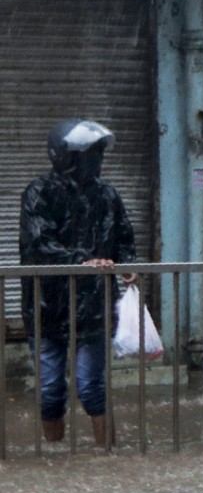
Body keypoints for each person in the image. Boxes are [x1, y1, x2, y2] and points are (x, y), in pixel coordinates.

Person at [20, 119, 137, 447]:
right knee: (50, 390)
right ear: (65, 157)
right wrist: (82, 261)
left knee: (92, 386)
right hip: (47, 305)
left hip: (93, 304)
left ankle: (107, 455)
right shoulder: (39, 193)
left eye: (99, 154)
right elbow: (40, 242)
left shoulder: (107, 194)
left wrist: (127, 264)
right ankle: (57, 460)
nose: (96, 162)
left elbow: (124, 236)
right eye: (89, 154)